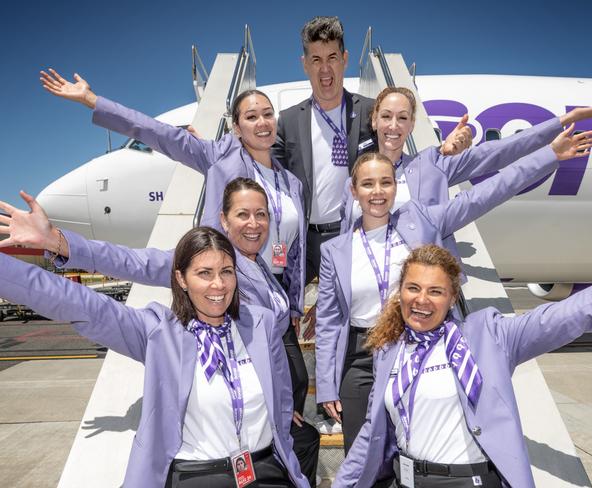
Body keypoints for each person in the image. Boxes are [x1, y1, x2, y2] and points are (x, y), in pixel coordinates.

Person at [39, 69, 315, 472]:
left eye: (267, 114)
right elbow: (156, 134)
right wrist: (93, 101)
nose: (261, 122)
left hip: (274, 310)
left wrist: (292, 303)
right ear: (235, 127)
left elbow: (294, 250)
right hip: (229, 309)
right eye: (251, 116)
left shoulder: (290, 182)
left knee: (293, 414)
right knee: (277, 427)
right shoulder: (218, 156)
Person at [0, 179, 321, 487]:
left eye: (226, 272)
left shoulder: (260, 326)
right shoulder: (159, 333)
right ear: (181, 278)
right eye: (204, 274)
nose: (218, 285)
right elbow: (74, 300)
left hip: (263, 471)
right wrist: (56, 241)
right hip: (197, 477)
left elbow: (279, 393)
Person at [316, 123, 592, 454]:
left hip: (418, 349)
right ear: (353, 191)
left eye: (385, 182)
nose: (377, 191)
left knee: (414, 450)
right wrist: (325, 384)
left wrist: (550, 155)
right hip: (361, 357)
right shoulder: (334, 251)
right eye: (367, 184)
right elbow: (328, 321)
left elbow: (490, 192)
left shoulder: (422, 221)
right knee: (362, 458)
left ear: (396, 187)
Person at [334, 244, 592, 488]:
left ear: (452, 297)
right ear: (400, 291)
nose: (422, 300)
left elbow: (580, 312)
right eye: (413, 288)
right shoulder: (389, 350)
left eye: (436, 291)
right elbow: (371, 434)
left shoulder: (488, 336)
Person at [272, 17, 470, 285]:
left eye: (332, 57)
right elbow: (267, 172)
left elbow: (396, 148)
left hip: (357, 232)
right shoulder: (288, 120)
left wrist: (441, 151)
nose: (325, 68)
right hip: (306, 239)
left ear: (345, 59)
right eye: (316, 59)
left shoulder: (369, 112)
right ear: (304, 64)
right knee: (287, 312)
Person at [339, 86, 592, 233]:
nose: (393, 125)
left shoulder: (431, 163)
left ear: (412, 125)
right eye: (386, 117)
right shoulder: (353, 183)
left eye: (402, 118)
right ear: (374, 120)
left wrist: (565, 121)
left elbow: (500, 154)